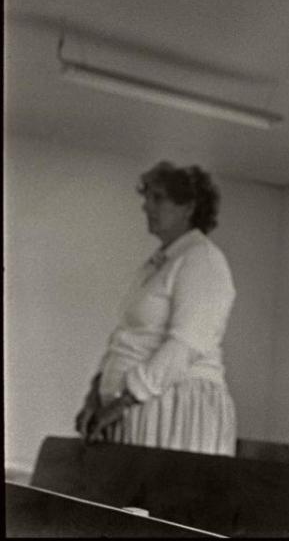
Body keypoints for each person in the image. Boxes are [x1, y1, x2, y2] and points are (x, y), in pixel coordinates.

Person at [75, 161, 237, 456]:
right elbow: (125, 337)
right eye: (146, 198)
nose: (146, 207)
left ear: (188, 207)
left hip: (174, 408)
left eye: (157, 198)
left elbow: (184, 346)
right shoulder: (159, 263)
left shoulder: (203, 260)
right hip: (134, 406)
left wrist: (123, 403)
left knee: (160, 500)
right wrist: (94, 397)